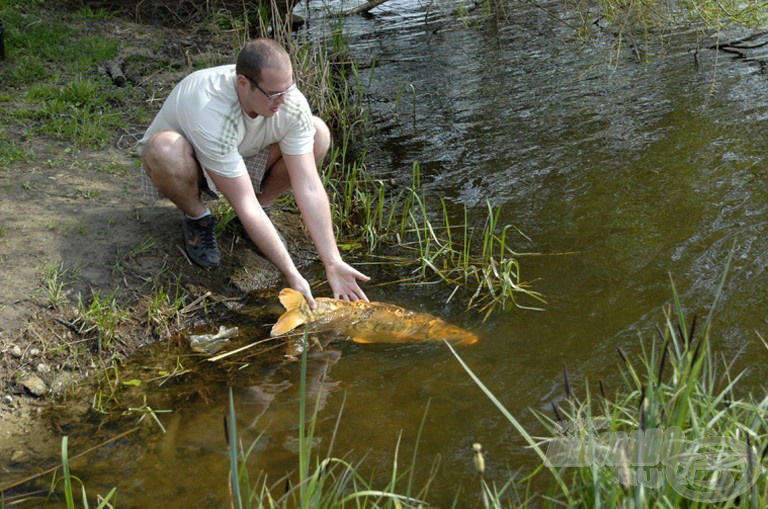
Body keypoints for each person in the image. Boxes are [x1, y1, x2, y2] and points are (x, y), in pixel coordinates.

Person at [137, 38, 369, 308]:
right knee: (164, 149)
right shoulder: (209, 107)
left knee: (318, 133)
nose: (283, 100)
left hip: (242, 155)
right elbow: (243, 203)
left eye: (288, 88)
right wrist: (292, 274)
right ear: (243, 84)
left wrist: (333, 261)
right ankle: (197, 217)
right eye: (273, 94)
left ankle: (264, 210)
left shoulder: (287, 100)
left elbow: (308, 185)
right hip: (191, 165)